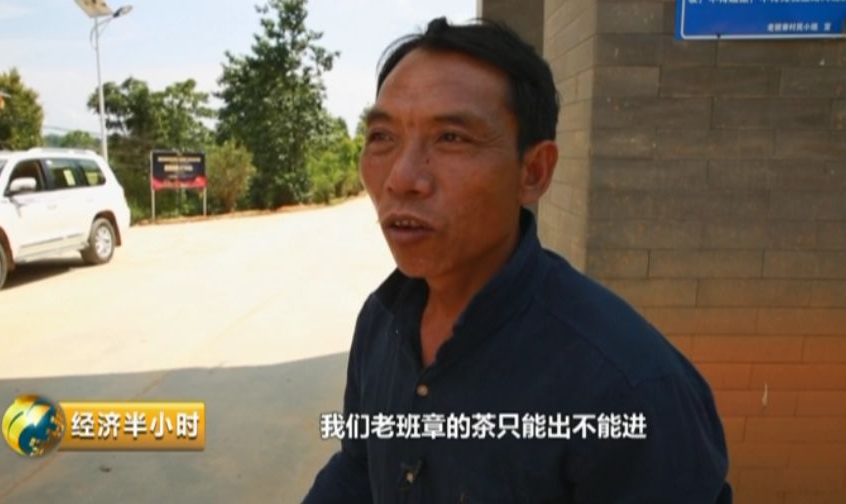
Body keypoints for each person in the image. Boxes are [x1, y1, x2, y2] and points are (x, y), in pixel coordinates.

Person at [304, 17, 732, 503]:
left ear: (533, 172)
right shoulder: (382, 321)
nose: (401, 178)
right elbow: (359, 468)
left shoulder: (630, 387)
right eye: (383, 136)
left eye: (451, 138)